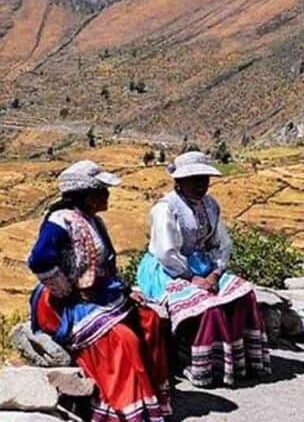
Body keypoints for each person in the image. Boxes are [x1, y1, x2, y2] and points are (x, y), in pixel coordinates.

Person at [28, 160, 172, 422]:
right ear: (86, 195)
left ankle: (150, 398)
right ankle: (121, 409)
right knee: (122, 339)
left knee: (149, 320)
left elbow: (106, 265)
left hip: (100, 294)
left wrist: (126, 291)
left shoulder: (94, 221)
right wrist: (66, 290)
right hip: (64, 303)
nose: (107, 195)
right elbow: (39, 260)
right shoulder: (60, 221)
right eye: (102, 191)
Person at [136, 151, 270, 387]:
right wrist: (192, 277)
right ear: (178, 181)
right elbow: (165, 251)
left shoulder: (210, 205)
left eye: (204, 178)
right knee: (206, 304)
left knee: (244, 293)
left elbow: (221, 243)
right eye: (193, 178)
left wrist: (216, 272)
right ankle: (200, 364)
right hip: (168, 269)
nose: (200, 184)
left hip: (205, 267)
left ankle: (239, 362)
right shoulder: (166, 208)